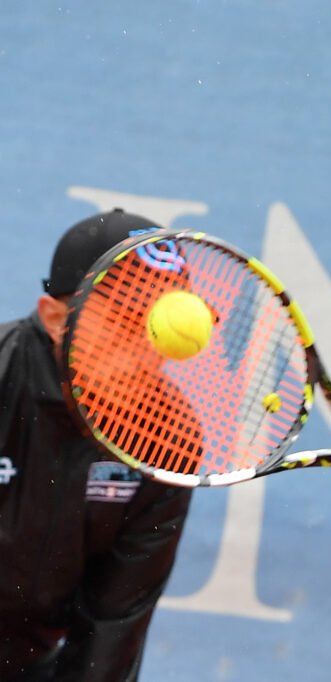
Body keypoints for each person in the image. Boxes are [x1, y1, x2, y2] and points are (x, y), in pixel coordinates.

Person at [0, 209, 194, 681]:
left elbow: (111, 627)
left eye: (159, 323)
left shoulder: (167, 440)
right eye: (128, 320)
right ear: (55, 319)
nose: (147, 350)